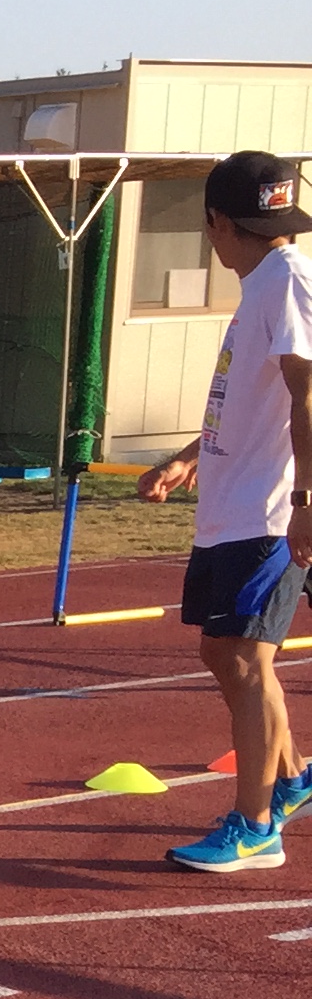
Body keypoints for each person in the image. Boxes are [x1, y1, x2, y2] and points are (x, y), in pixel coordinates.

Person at [136, 151, 312, 873]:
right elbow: (247, 402)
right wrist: (189, 456)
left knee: (242, 657)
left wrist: (306, 501)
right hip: (233, 503)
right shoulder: (264, 283)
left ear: (216, 222)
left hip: (266, 511)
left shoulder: (288, 279)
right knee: (223, 652)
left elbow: (307, 395)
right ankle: (291, 778)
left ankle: (257, 825)